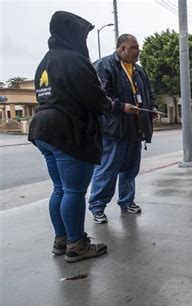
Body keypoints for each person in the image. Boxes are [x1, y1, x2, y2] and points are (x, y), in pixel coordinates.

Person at [28, 11, 111, 262]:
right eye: (82, 35)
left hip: (43, 129)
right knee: (74, 191)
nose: (84, 40)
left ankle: (61, 239)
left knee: (60, 189)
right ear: (72, 33)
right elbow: (95, 100)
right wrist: (111, 104)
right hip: (68, 130)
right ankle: (76, 245)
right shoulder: (74, 59)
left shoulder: (45, 61)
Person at [88, 34, 156, 224]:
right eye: (134, 47)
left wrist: (153, 108)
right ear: (122, 49)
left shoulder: (139, 70)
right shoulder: (104, 65)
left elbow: (148, 93)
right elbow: (100, 96)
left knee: (130, 169)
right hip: (114, 130)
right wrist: (121, 107)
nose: (138, 51)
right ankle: (97, 207)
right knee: (107, 169)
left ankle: (127, 201)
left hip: (135, 128)